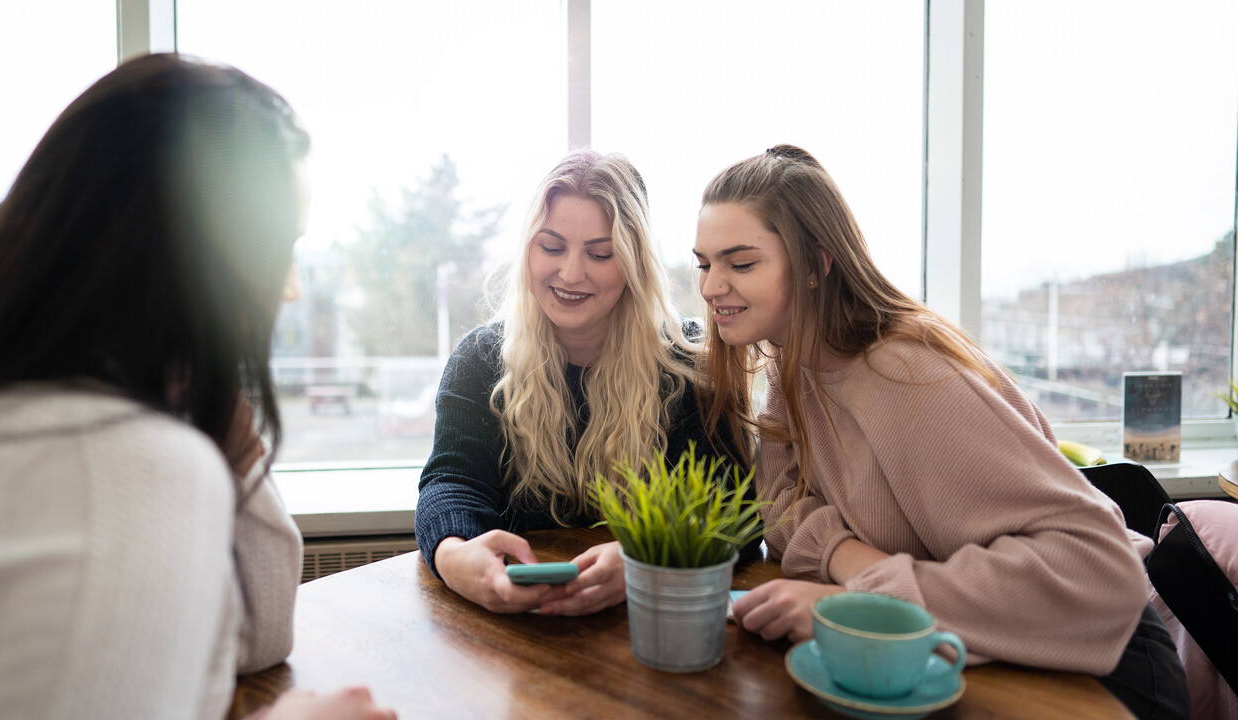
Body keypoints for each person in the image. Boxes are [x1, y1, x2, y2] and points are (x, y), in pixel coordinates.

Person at [0, 54, 392, 720]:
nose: (291, 289)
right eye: (278, 248)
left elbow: (259, 634)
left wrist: (214, 408)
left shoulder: (24, 412)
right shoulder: (121, 469)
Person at [693, 144, 1187, 719]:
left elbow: (1100, 569)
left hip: (1098, 669)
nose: (710, 288)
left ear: (813, 264)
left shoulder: (902, 371)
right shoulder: (793, 364)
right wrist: (853, 560)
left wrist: (864, 600)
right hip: (960, 650)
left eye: (741, 263)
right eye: (704, 264)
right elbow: (779, 510)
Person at [415, 149, 749, 616]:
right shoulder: (480, 360)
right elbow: (451, 483)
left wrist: (647, 562)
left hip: (654, 625)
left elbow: (734, 514)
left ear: (635, 262)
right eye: (551, 247)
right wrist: (452, 556)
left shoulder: (689, 362)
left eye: (600, 253)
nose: (571, 273)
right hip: (517, 630)